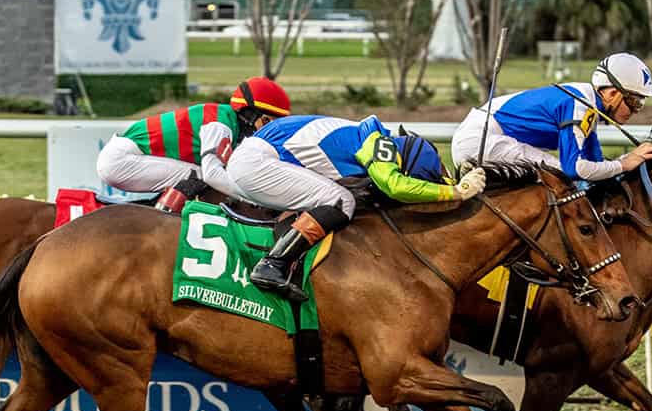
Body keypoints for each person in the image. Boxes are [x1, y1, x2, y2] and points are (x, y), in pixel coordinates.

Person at [227, 114, 487, 301]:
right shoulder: (380, 144)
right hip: (256, 162)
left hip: (256, 159)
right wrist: (455, 192)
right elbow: (395, 185)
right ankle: (273, 264)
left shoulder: (369, 138)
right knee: (340, 201)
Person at [451, 53, 652, 183]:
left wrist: (624, 163)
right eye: (634, 102)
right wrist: (624, 163)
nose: (636, 111)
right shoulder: (581, 105)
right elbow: (575, 169)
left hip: (484, 138)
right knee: (559, 175)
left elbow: (595, 164)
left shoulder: (589, 107)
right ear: (612, 94)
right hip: (479, 140)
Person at [95, 77, 291, 212]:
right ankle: (164, 219)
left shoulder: (227, 121)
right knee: (204, 177)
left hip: (125, 157)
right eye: (266, 121)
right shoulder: (219, 124)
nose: (267, 130)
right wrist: (254, 199)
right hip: (121, 161)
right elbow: (213, 175)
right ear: (249, 114)